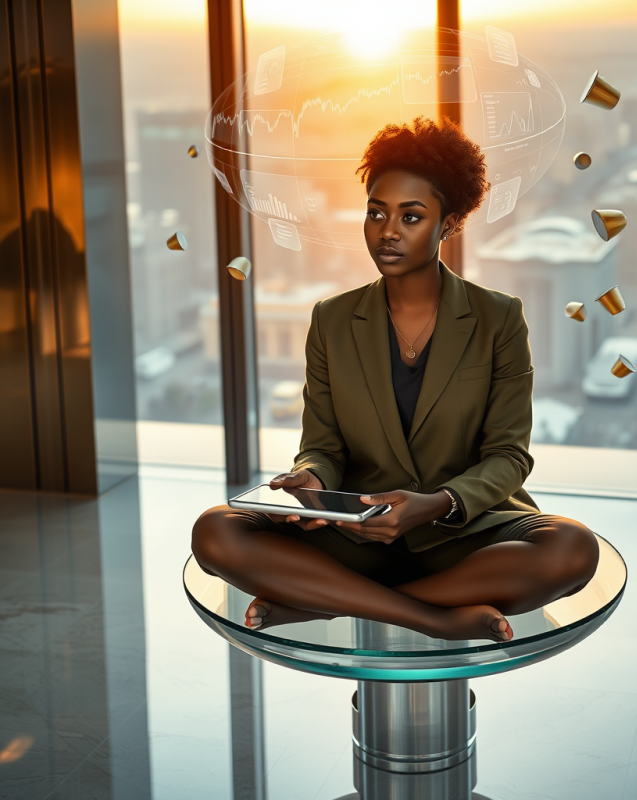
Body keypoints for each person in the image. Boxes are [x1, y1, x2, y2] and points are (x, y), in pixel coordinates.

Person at [192, 117, 599, 643]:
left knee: (573, 549)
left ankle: (322, 601)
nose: (387, 231)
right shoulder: (331, 319)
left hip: (463, 531)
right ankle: (432, 616)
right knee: (216, 531)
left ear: (448, 224)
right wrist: (311, 478)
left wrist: (437, 503)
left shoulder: (499, 317)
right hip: (359, 531)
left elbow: (509, 456)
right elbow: (322, 445)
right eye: (376, 213)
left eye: (411, 216)